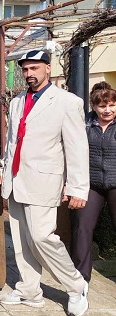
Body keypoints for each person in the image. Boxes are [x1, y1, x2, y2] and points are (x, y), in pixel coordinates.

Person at [0, 50, 89, 316]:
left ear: (48, 68)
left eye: (34, 68)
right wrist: (4, 172)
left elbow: (76, 148)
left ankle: (75, 285)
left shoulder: (67, 102)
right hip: (15, 180)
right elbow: (13, 143)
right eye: (25, 70)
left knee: (41, 237)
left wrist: (77, 188)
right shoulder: (17, 102)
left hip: (44, 181)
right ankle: (29, 290)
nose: (29, 74)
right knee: (22, 239)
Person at [71, 81, 116, 283]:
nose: (107, 110)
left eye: (112, 105)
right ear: (94, 106)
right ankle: (81, 279)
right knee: (82, 228)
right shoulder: (85, 124)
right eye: (102, 106)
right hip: (90, 184)